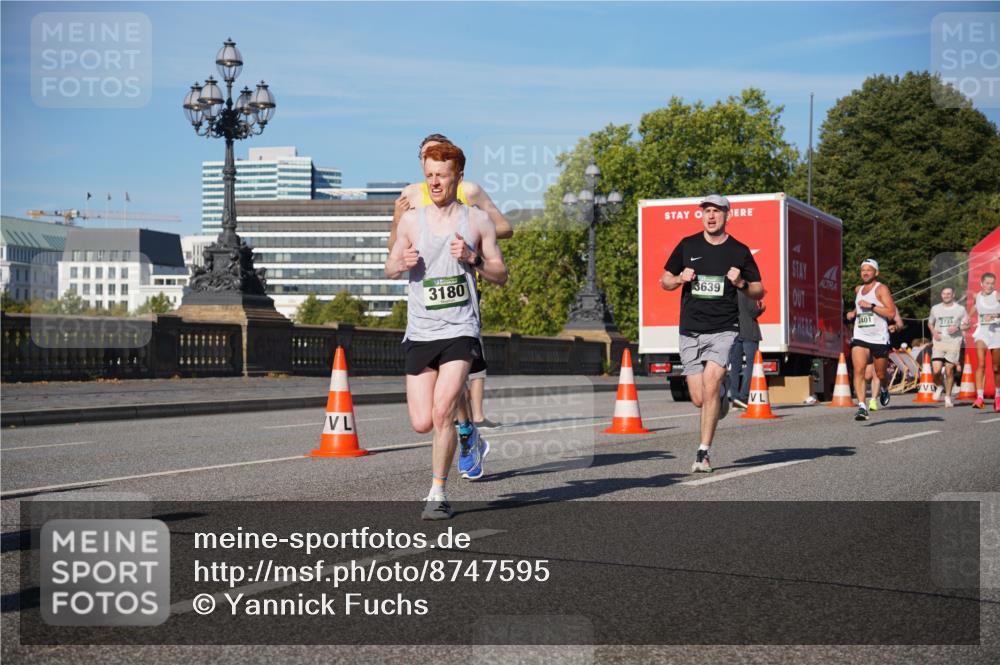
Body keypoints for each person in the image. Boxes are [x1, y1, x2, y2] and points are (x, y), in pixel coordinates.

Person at [385, 143, 508, 520]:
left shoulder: (476, 221)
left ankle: (438, 491)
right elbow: (389, 265)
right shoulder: (411, 219)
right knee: (421, 422)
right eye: (429, 175)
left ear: (457, 176)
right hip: (420, 330)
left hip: (460, 329)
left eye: (441, 174)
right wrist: (400, 263)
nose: (434, 181)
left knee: (441, 414)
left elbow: (500, 274)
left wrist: (472, 259)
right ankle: (469, 431)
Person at [661, 194, 763, 473]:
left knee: (711, 385)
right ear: (701, 215)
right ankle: (723, 397)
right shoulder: (687, 245)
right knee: (698, 398)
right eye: (706, 210)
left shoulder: (739, 251)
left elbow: (759, 290)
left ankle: (703, 452)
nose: (711, 215)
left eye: (717, 211)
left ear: (727, 215)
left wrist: (740, 281)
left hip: (723, 329)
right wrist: (679, 278)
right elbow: (664, 281)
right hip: (690, 329)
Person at [846, 259, 897, 421]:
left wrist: (873, 307)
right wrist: (854, 312)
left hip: (879, 338)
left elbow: (891, 313)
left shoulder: (881, 289)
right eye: (863, 270)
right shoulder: (858, 289)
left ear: (876, 272)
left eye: (869, 270)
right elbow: (861, 305)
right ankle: (862, 406)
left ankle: (883, 388)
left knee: (881, 373)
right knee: (859, 370)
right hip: (860, 336)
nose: (865, 273)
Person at [927, 287, 969, 408]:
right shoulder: (935, 308)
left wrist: (958, 328)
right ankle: (940, 386)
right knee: (936, 370)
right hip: (939, 341)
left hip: (954, 342)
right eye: (944, 293)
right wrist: (933, 331)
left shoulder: (960, 309)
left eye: (949, 293)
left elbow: (968, 325)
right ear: (941, 295)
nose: (946, 295)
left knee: (949, 370)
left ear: (953, 295)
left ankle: (948, 397)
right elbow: (930, 322)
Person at [728, 290, 765, 410]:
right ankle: (743, 396)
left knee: (734, 367)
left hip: (735, 333)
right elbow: (752, 312)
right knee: (751, 366)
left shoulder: (731, 293)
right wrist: (761, 308)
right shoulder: (748, 293)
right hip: (749, 332)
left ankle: (734, 397)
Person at [970, 272, 1000, 410]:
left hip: (997, 332)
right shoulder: (977, 296)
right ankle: (980, 398)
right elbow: (974, 308)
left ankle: (998, 396)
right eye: (987, 283)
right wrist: (967, 319)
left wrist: (994, 317)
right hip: (982, 332)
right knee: (981, 364)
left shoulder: (997, 295)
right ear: (981, 283)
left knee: (996, 368)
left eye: (992, 283)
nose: (989, 286)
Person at [866, 311, 903, 411]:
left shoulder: (888, 304)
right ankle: (884, 388)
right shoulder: (863, 302)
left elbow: (900, 324)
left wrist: (895, 327)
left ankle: (873, 400)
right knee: (867, 375)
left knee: (876, 374)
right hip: (866, 340)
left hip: (880, 342)